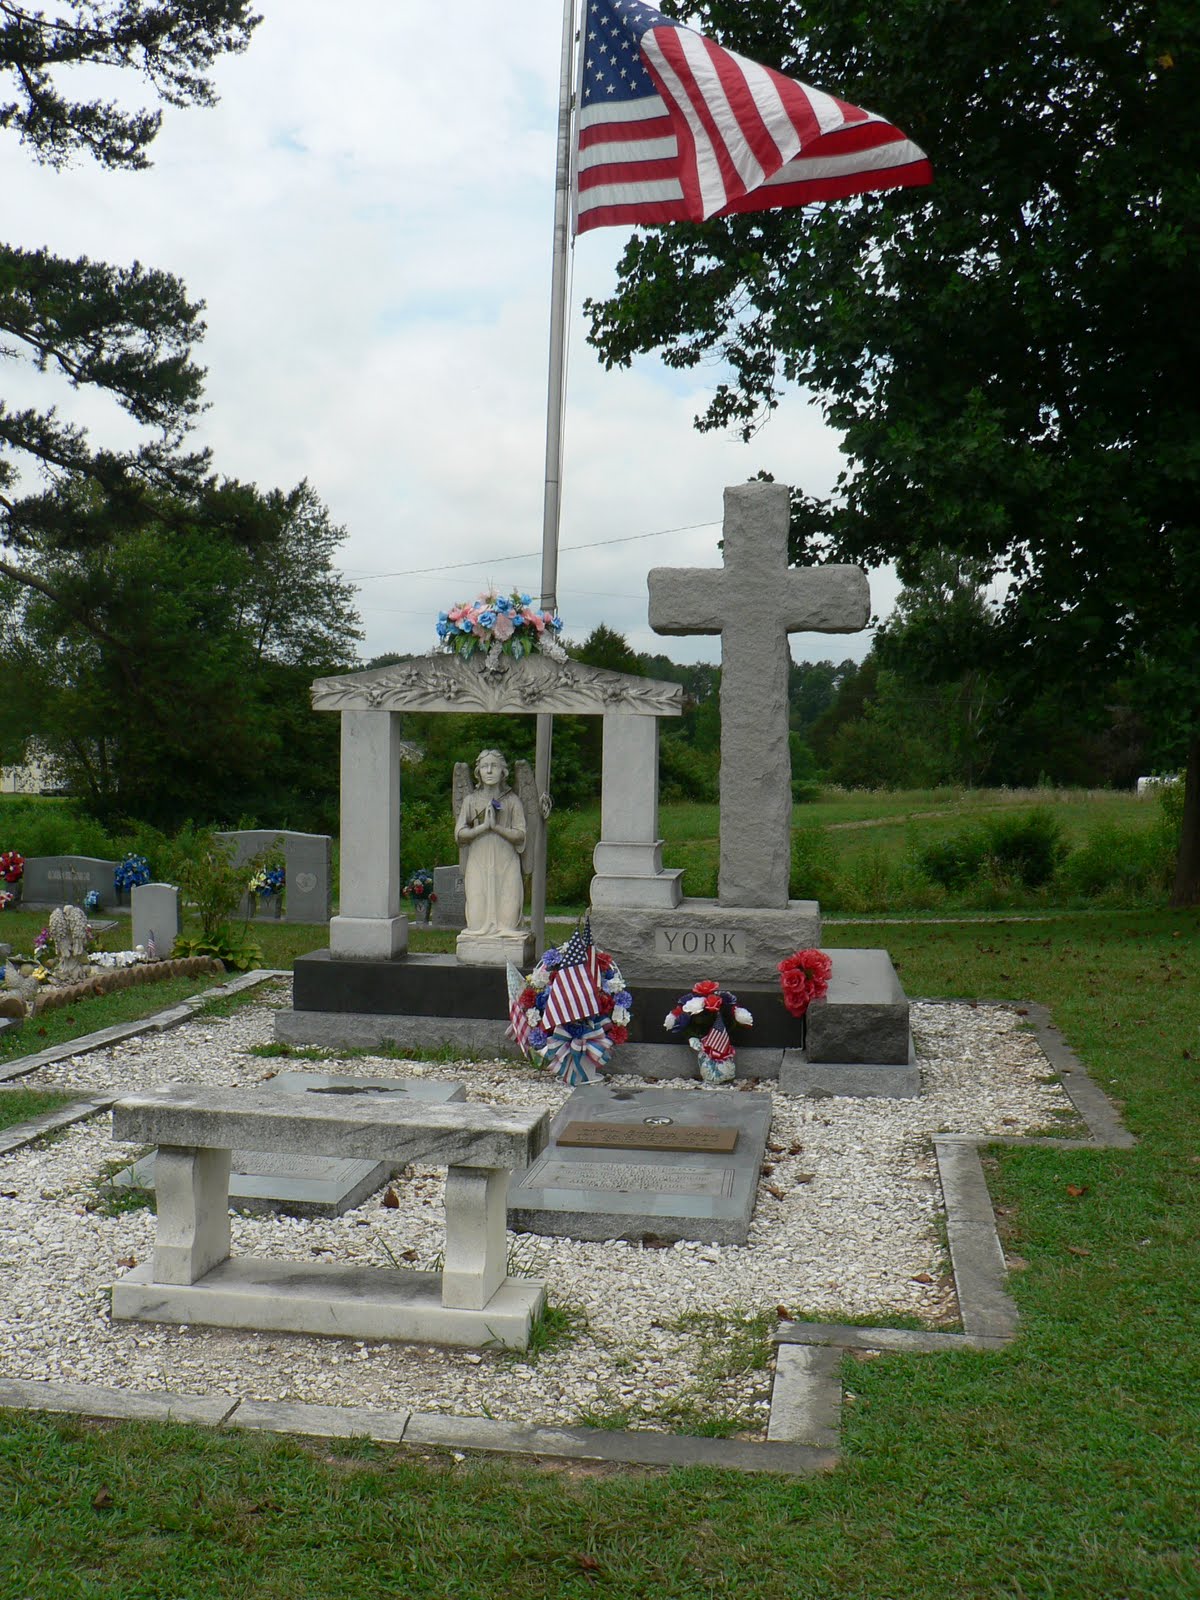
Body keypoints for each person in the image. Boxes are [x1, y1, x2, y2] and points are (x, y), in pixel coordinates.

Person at [455, 749, 526, 937]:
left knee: (508, 923)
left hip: (506, 863)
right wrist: (484, 827)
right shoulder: (470, 800)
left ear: (503, 771)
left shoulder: (512, 801)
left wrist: (496, 828)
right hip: (478, 862)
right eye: (485, 766)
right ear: (478, 771)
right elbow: (460, 834)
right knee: (476, 924)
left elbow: (521, 835)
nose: (489, 771)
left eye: (494, 766)